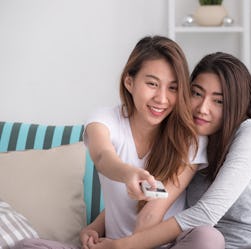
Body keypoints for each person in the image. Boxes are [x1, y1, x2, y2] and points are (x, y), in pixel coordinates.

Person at [85, 52, 251, 249]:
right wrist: (97, 225)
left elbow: (206, 213)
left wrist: (123, 246)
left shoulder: (248, 134)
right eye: (196, 94)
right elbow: (156, 194)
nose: (203, 108)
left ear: (236, 104)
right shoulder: (187, 140)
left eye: (218, 101)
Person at [14, 36, 209, 249]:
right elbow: (102, 156)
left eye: (172, 88)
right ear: (129, 81)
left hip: (156, 246)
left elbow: (151, 213)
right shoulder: (104, 119)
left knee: (208, 238)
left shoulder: (190, 138)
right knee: (27, 245)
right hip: (110, 245)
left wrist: (118, 246)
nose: (162, 99)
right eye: (152, 84)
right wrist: (127, 176)